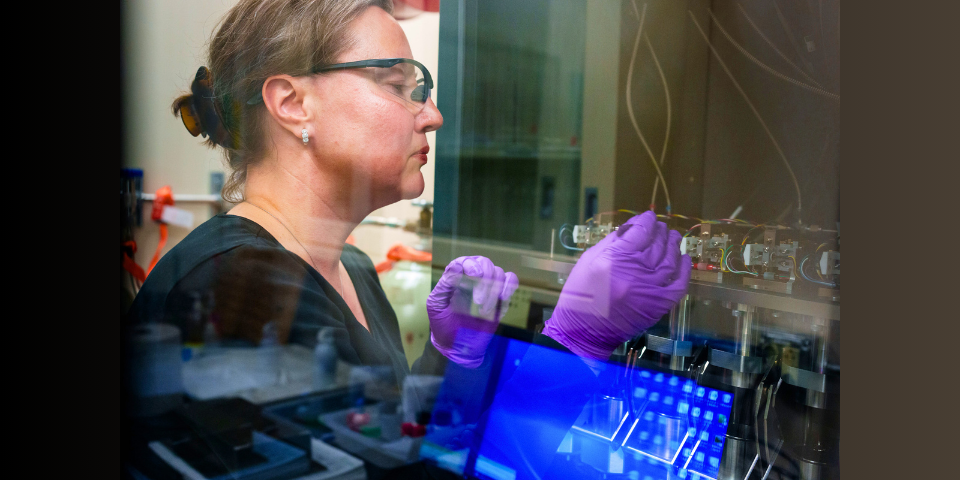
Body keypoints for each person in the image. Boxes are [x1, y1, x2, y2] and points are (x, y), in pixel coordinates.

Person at [125, 0, 690, 477]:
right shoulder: (240, 284)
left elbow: (396, 441)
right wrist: (574, 343)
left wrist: (455, 357)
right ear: (294, 103)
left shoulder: (351, 268)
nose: (434, 116)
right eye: (398, 85)